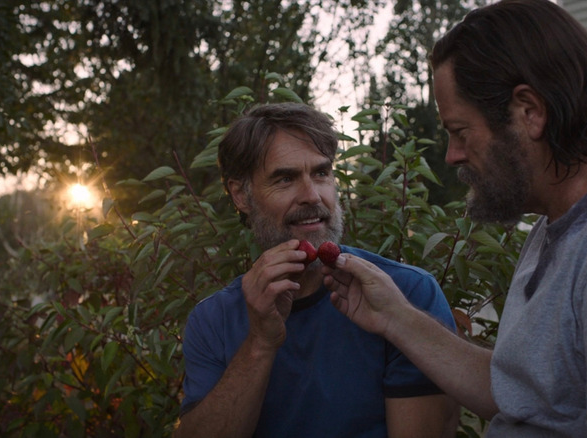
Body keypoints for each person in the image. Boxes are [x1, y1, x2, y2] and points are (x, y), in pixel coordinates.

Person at [322, 1, 587, 437]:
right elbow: (527, 397)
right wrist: (395, 317)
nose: (452, 155)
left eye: (461, 131)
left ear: (529, 112)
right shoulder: (560, 225)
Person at [173, 102, 459, 438]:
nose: (312, 196)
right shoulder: (213, 320)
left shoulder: (407, 295)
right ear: (241, 195)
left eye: (321, 173)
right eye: (285, 178)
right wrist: (260, 343)